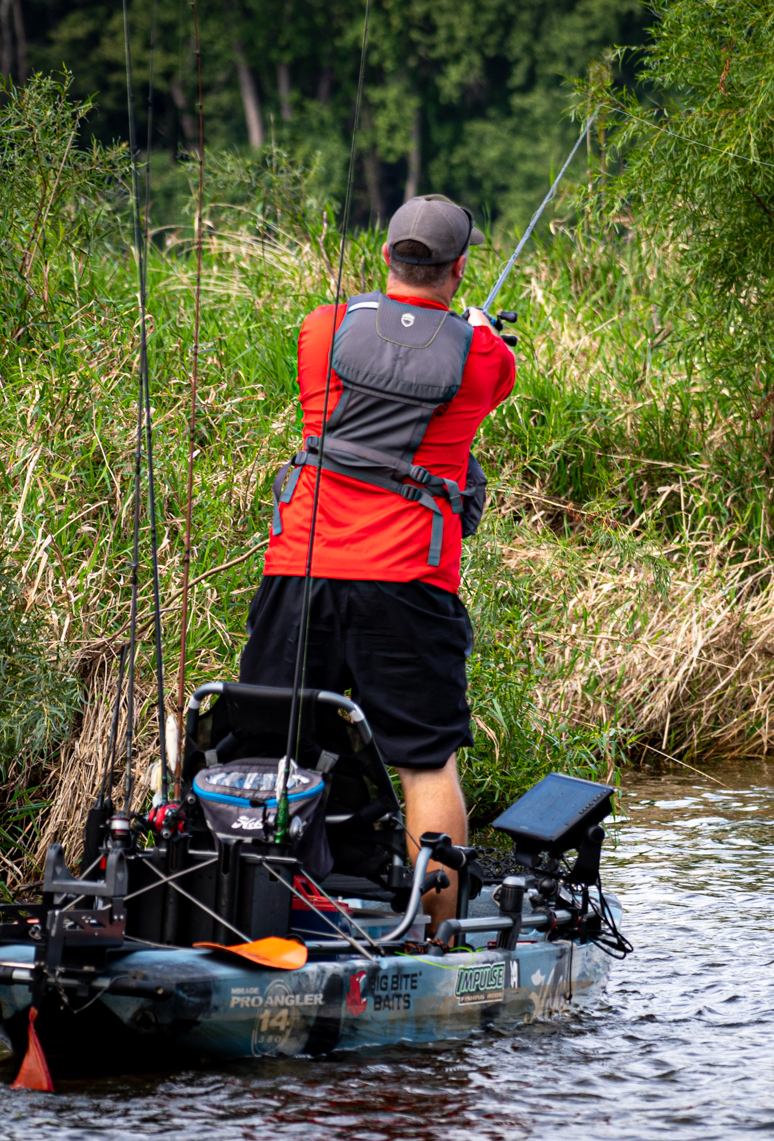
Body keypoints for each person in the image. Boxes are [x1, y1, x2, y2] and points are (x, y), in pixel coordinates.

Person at [239, 194, 514, 928]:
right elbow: (485, 372)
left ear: (388, 255)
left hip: (299, 567)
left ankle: (250, 913)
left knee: (272, 748)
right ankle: (438, 935)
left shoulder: (322, 328)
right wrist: (473, 326)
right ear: (458, 268)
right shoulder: (482, 355)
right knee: (426, 759)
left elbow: (377, 347)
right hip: (407, 581)